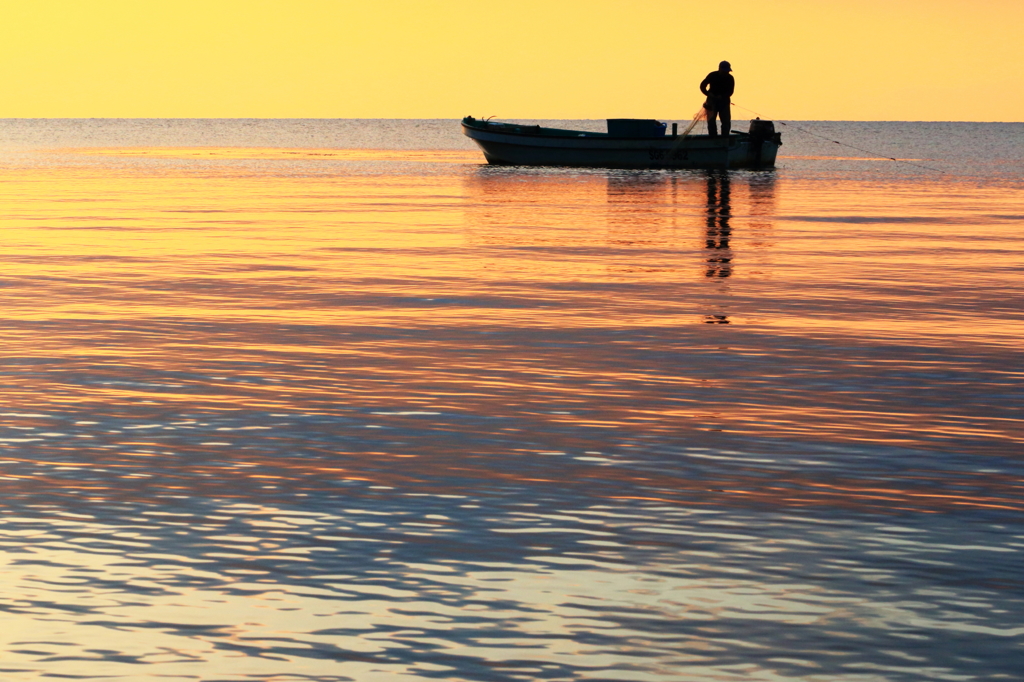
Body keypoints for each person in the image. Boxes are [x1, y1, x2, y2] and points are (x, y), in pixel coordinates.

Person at [700, 61, 734, 138]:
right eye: (724, 71)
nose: (726, 73)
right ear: (719, 69)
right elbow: (702, 86)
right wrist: (708, 94)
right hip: (711, 102)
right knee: (711, 121)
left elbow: (730, 91)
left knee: (726, 122)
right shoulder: (712, 75)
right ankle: (713, 137)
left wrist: (722, 96)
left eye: (727, 71)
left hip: (724, 102)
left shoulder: (730, 78)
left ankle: (724, 138)